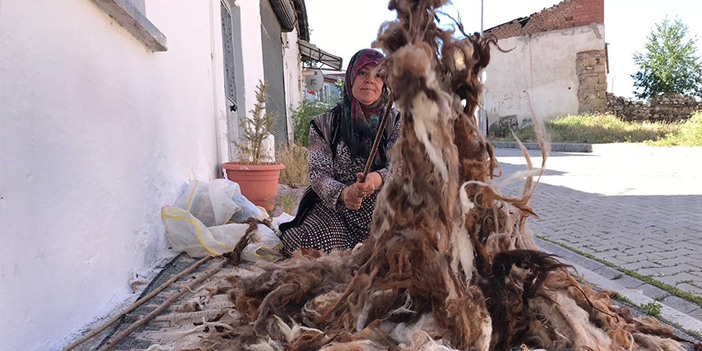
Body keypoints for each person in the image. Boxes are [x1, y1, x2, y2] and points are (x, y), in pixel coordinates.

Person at [279, 49, 401, 254]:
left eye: (378, 74)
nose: (370, 80)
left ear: (385, 82)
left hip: (386, 210)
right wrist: (346, 193)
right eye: (362, 73)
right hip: (337, 211)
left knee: (410, 246)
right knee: (306, 245)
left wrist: (375, 180)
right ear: (351, 77)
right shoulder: (324, 123)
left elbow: (402, 168)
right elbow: (319, 174)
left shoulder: (396, 121)